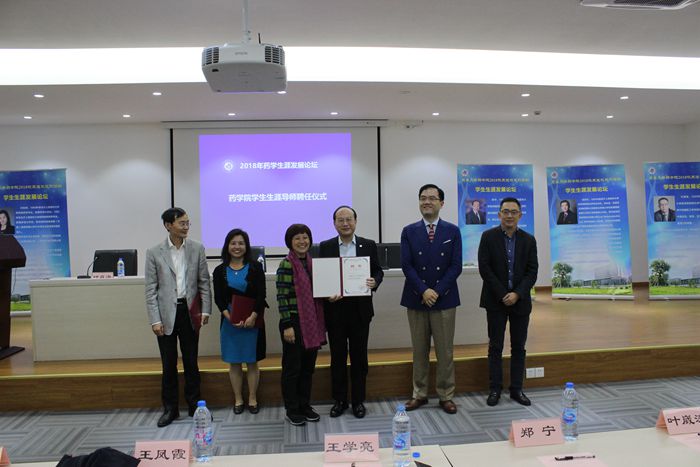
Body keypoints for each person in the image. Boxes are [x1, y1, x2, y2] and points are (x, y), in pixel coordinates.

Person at [145, 207, 211, 427]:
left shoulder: (197, 248)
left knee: (191, 362)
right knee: (168, 364)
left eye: (187, 223)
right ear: (168, 225)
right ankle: (170, 409)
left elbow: (204, 281)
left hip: (190, 312)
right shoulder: (154, 252)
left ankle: (195, 406)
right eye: (182, 223)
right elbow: (150, 289)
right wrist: (155, 319)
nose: (186, 227)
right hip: (165, 316)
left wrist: (205, 310)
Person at [400, 184, 462, 414]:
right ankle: (419, 393)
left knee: (445, 352)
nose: (427, 202)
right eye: (423, 198)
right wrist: (424, 291)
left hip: (444, 299)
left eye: (432, 198)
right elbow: (407, 265)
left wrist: (436, 291)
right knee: (419, 350)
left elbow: (455, 266)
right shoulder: (409, 231)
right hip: (416, 298)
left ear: (441, 203)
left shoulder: (452, 231)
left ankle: (446, 395)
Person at [320, 206, 384, 419]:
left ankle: (358, 401)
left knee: (359, 358)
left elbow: (378, 271)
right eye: (340, 220)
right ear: (334, 223)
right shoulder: (326, 246)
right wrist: (326, 293)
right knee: (337, 358)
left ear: (355, 221)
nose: (345, 223)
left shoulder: (368, 244)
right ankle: (339, 400)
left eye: (349, 219)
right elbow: (322, 276)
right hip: (335, 311)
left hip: (360, 312)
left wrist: (375, 281)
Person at [478, 197, 538, 407]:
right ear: (499, 214)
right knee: (495, 346)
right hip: (495, 301)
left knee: (518, 347)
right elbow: (485, 268)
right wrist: (504, 293)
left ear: (520, 215)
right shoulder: (488, 237)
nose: (509, 215)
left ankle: (516, 389)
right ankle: (495, 389)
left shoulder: (529, 240)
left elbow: (532, 271)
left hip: (520, 302)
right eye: (506, 211)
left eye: (513, 212)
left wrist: (517, 294)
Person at [212, 228, 267, 415]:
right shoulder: (219, 271)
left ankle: (252, 398)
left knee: (252, 362)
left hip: (253, 322)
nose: (237, 247)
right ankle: (238, 399)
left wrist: (252, 316)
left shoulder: (255, 267)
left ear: (247, 246)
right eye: (233, 243)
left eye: (241, 243)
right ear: (227, 246)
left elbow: (261, 295)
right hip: (230, 323)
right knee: (234, 362)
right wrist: (230, 317)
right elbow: (219, 298)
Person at [277, 224, 326, 426]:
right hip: (294, 323)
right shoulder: (286, 264)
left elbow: (320, 291)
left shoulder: (314, 264)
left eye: (305, 237)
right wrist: (287, 325)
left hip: (311, 323)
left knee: (307, 368)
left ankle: (305, 405)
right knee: (292, 369)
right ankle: (292, 409)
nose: (302, 241)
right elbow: (282, 297)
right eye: (297, 238)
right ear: (290, 242)